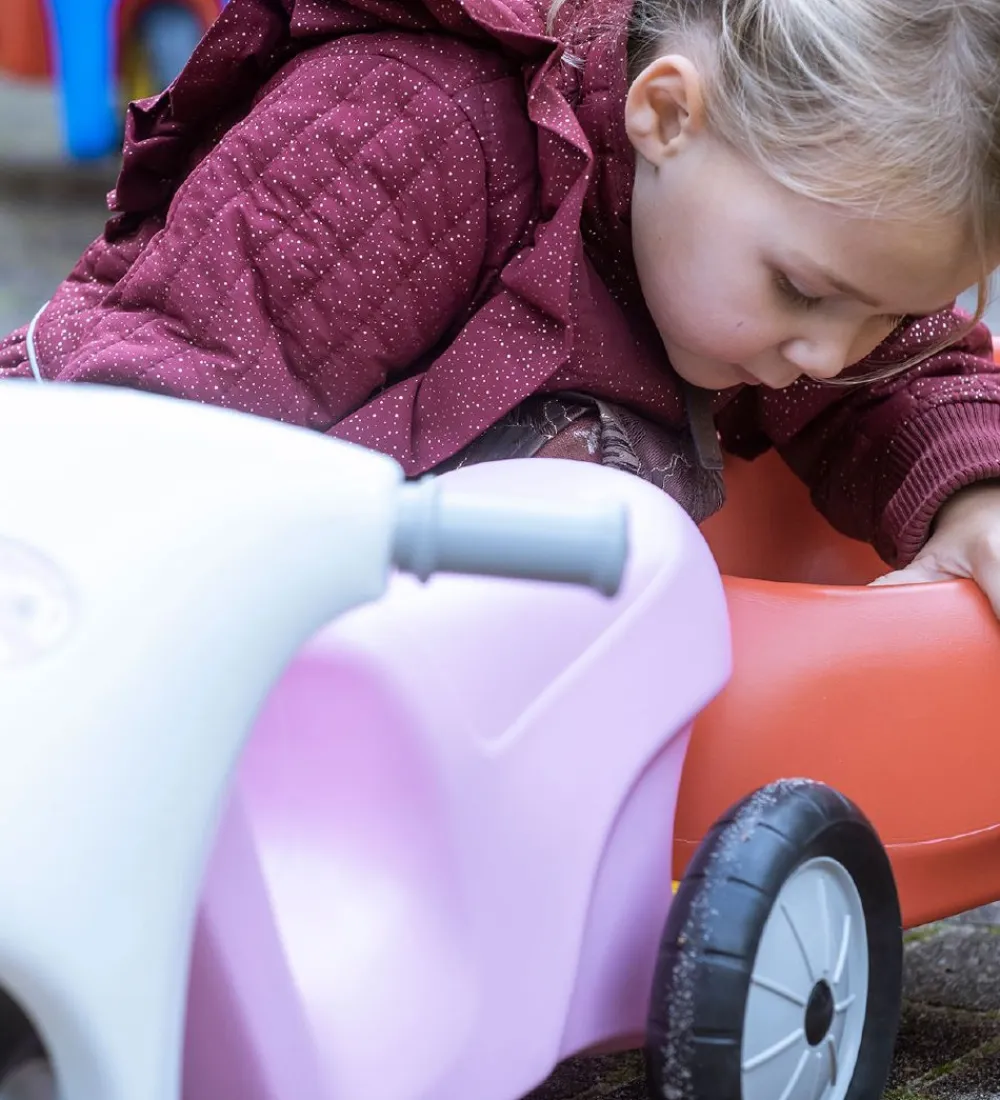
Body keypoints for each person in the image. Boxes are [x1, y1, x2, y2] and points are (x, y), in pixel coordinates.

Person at [3, 0, 1000, 611]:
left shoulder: (735, 247)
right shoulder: (401, 145)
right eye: (806, 291)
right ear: (664, 115)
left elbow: (898, 384)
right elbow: (141, 431)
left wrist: (974, 496)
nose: (830, 355)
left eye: (881, 313)